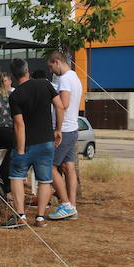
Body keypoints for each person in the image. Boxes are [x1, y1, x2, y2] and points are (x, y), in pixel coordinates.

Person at [2, 58, 64, 229]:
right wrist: (58, 129)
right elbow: (59, 107)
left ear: (14, 76)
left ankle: (21, 216)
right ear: (27, 71)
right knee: (44, 180)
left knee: (16, 177)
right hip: (46, 141)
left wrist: (20, 149)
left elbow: (19, 124)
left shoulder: (15, 96)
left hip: (26, 144)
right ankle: (40, 218)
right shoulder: (45, 85)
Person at [46, 52, 82, 221]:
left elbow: (63, 105)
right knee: (69, 167)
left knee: (50, 167)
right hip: (72, 128)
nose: (51, 70)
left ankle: (66, 204)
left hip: (64, 130)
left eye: (51, 66)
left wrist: (57, 129)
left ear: (57, 62)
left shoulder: (65, 79)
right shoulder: (75, 76)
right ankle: (72, 206)